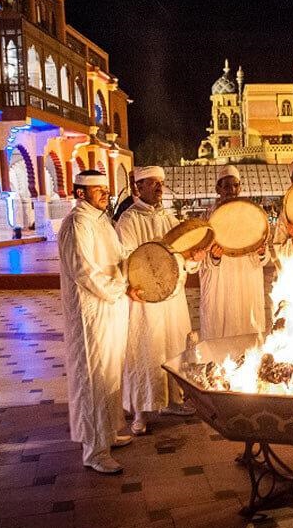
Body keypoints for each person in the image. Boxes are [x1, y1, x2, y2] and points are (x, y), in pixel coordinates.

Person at [115, 165, 205, 436]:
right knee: (145, 352)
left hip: (172, 299)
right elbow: (126, 258)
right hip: (145, 300)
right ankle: (140, 411)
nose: (158, 187)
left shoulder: (170, 218)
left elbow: (183, 256)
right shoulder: (129, 220)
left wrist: (193, 258)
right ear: (138, 187)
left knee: (174, 347)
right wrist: (135, 280)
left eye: (160, 183)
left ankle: (173, 401)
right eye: (152, 183)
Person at [58, 170, 135, 474]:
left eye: (105, 188)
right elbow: (84, 270)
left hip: (112, 308)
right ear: (81, 193)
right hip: (91, 313)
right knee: (93, 378)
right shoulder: (77, 223)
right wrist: (119, 288)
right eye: (98, 190)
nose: (106, 193)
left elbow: (120, 256)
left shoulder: (102, 221)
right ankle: (95, 450)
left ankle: (108, 433)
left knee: (110, 374)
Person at [199, 165, 270, 340]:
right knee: (219, 334)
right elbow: (198, 259)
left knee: (249, 332)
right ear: (218, 189)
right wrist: (214, 258)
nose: (231, 190)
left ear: (240, 188)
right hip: (220, 285)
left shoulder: (252, 215)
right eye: (226, 186)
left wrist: (261, 252)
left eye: (235, 185)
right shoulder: (206, 220)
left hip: (247, 282)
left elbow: (264, 256)